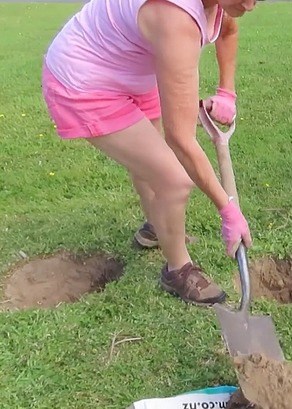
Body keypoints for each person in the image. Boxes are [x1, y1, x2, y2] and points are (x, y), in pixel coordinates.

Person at [40, 0, 258, 306]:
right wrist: (228, 209)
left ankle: (157, 226)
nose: (251, 4)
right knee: (174, 179)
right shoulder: (174, 18)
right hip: (85, 80)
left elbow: (227, 30)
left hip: (131, 69)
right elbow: (181, 139)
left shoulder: (220, 4)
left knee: (153, 163)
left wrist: (227, 93)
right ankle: (178, 269)